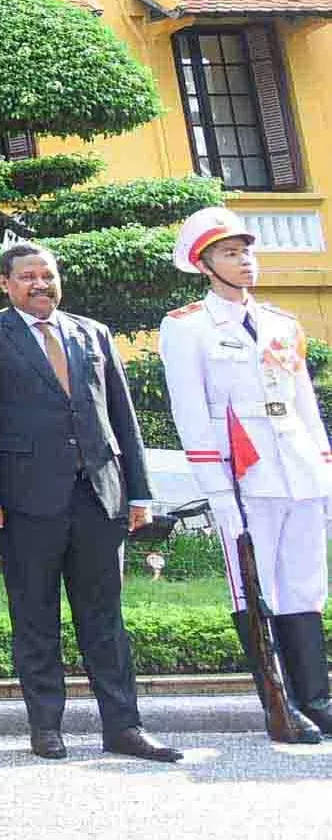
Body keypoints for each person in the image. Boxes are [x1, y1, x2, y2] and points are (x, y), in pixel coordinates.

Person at [0, 240, 180, 763]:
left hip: (99, 497)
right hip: (26, 499)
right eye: (28, 277)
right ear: (5, 284)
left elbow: (122, 418)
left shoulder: (91, 332)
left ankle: (124, 727)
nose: (41, 285)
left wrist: (139, 492)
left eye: (48, 275)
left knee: (105, 617)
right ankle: (46, 726)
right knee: (35, 616)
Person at [161, 206, 332, 737]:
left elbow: (304, 405)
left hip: (297, 468)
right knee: (255, 590)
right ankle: (278, 705)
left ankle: (318, 698)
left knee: (304, 585)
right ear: (204, 264)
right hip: (244, 474)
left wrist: (323, 473)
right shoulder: (188, 327)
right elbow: (190, 411)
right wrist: (217, 489)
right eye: (230, 254)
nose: (244, 262)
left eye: (247, 252)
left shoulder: (282, 323)